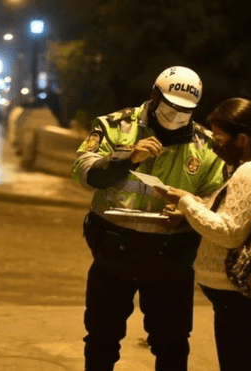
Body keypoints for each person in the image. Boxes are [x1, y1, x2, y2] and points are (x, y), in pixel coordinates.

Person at [72, 66, 225, 371]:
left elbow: (217, 196)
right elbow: (82, 171)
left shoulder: (205, 145)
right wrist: (126, 157)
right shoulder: (115, 127)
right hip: (114, 251)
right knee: (101, 338)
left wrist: (187, 211)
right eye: (171, 107)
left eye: (186, 110)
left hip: (171, 257)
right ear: (154, 95)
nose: (177, 115)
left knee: (172, 343)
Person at [156, 97, 251, 371]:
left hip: (238, 297)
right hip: (243, 297)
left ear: (243, 139)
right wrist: (191, 209)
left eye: (221, 139)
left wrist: (185, 201)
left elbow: (229, 232)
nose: (215, 145)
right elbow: (238, 216)